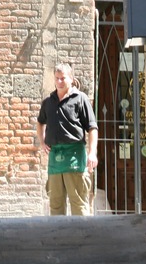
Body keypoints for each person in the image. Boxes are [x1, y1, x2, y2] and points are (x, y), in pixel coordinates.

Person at [36, 63, 98, 216]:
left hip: (75, 157)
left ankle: (82, 237)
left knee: (79, 205)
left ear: (71, 79)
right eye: (57, 79)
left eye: (63, 78)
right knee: (55, 205)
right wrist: (42, 142)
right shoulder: (48, 102)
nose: (59, 82)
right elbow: (40, 122)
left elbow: (92, 128)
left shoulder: (80, 99)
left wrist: (92, 153)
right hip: (55, 159)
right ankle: (58, 238)